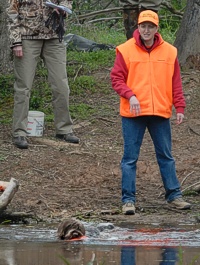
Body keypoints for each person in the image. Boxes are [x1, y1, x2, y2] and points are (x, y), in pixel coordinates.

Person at [110, 10, 191, 215]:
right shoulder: (125, 50)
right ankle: (128, 201)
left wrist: (179, 106)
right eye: (143, 26)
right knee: (130, 158)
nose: (146, 30)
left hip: (160, 112)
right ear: (138, 27)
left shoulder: (170, 51)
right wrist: (131, 95)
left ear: (157, 28)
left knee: (166, 156)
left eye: (150, 26)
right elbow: (116, 79)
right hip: (133, 113)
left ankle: (174, 196)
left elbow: (176, 82)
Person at [7, 0, 79, 149]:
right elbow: (12, 12)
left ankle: (64, 129)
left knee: (61, 85)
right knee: (23, 87)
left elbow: (66, 1)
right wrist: (16, 41)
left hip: (54, 37)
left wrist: (64, 8)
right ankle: (19, 132)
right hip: (27, 37)